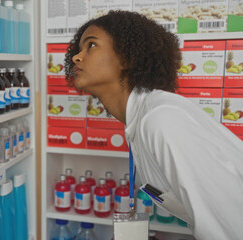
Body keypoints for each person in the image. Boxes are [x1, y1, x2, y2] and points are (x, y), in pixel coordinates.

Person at [64, 10, 243, 240]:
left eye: (91, 45)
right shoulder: (140, 120)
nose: (77, 57)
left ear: (126, 57)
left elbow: (231, 228)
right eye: (78, 50)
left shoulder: (161, 120)